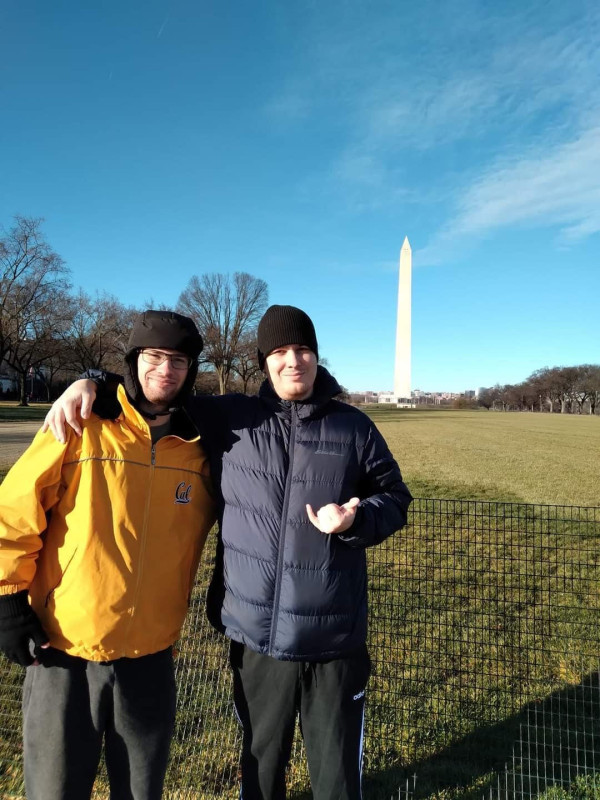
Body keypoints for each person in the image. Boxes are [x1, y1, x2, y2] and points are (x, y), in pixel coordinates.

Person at [43, 304, 412, 800]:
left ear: (317, 357)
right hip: (255, 639)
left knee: (338, 780)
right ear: (264, 362)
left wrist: (357, 518)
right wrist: (91, 381)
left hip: (335, 637)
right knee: (259, 772)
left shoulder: (354, 427)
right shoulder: (229, 419)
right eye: (279, 351)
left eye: (303, 350)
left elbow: (395, 497)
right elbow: (155, 391)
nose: (292, 361)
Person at [0, 310, 216, 800]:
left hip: (151, 654)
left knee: (141, 792)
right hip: (65, 651)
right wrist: (7, 597)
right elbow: (15, 507)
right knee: (55, 789)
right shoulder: (80, 423)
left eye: (179, 360)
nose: (166, 370)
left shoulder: (202, 449)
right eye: (154, 357)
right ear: (133, 362)